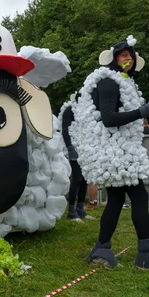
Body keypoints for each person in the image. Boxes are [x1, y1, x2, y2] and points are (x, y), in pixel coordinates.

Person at [70, 36, 149, 271]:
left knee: (117, 200)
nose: (128, 58)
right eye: (123, 54)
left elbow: (124, 117)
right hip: (115, 152)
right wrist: (145, 110)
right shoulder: (108, 81)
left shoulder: (125, 84)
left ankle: (102, 249)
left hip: (121, 149)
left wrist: (143, 120)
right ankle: (145, 252)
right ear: (114, 59)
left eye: (131, 55)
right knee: (139, 197)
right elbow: (108, 119)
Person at [60, 94, 93, 222]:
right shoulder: (69, 110)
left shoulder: (86, 113)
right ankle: (71, 211)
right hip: (74, 147)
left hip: (85, 148)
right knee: (77, 179)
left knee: (85, 179)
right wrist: (70, 148)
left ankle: (81, 209)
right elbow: (65, 130)